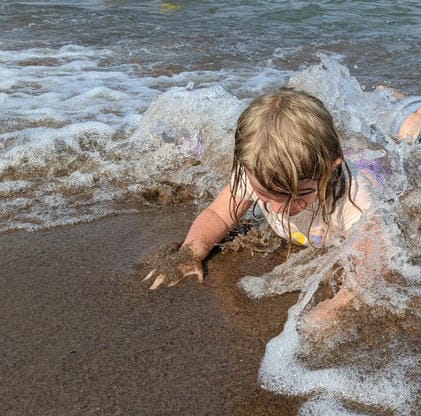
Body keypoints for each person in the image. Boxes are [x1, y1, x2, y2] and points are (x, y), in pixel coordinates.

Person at [142, 88, 380, 317]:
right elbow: (218, 215)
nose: (278, 208)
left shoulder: (353, 195)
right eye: (266, 196)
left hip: (374, 172)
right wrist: (190, 253)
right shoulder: (258, 172)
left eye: (297, 195)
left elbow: (374, 260)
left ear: (329, 168)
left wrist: (338, 307)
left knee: (392, 139)